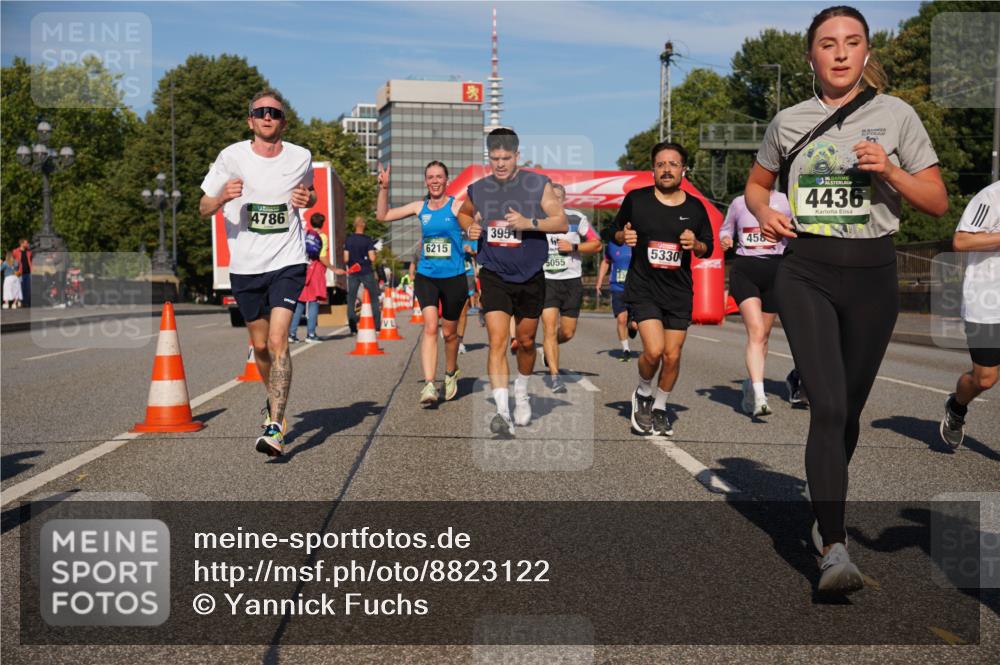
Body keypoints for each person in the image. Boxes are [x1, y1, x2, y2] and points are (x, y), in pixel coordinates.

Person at [746, 5, 947, 594]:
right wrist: (765, 212)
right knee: (828, 408)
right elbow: (758, 184)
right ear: (811, 55)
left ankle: (822, 500)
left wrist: (889, 169)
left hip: (873, 275)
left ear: (865, 53)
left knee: (848, 415)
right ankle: (834, 548)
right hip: (805, 269)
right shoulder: (788, 121)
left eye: (851, 42)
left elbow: (935, 201)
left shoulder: (897, 115)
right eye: (827, 43)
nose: (839, 52)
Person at [200, 89, 316, 457]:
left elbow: (308, 194)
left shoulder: (301, 156)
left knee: (280, 340)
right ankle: (272, 401)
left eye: (275, 113)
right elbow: (203, 206)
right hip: (246, 266)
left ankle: (276, 425)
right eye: (260, 112)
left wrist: (307, 199)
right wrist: (221, 199)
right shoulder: (230, 157)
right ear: (250, 120)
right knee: (261, 345)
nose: (268, 117)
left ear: (283, 121)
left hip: (288, 260)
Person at [458, 128, 568, 435]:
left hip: (530, 275)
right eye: (495, 159)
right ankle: (503, 412)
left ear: (517, 156)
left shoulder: (537, 184)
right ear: (488, 157)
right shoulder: (479, 188)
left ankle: (522, 392)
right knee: (497, 341)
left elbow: (561, 221)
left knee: (527, 342)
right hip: (493, 272)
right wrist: (470, 228)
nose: (501, 164)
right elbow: (464, 213)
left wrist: (529, 223)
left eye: (506, 158)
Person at [616, 141, 713, 438]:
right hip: (644, 286)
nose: (667, 169)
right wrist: (625, 235)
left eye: (673, 164)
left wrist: (695, 244)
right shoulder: (637, 200)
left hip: (678, 290)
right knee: (654, 350)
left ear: (683, 169)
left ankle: (659, 407)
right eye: (661, 164)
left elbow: (706, 248)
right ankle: (643, 393)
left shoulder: (695, 207)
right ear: (653, 170)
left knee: (672, 355)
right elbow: (617, 232)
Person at [377, 160, 468, 407]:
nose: (435, 181)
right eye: (431, 177)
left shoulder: (458, 207)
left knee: (449, 334)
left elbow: (476, 224)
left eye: (439, 176)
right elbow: (383, 216)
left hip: (454, 278)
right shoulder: (420, 207)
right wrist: (384, 189)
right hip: (427, 276)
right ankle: (429, 383)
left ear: (447, 181)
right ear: (426, 181)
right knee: (430, 327)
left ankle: (451, 372)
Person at [720, 192, 802, 416]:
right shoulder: (739, 202)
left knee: (763, 336)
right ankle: (759, 395)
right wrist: (725, 239)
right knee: (756, 332)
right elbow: (725, 228)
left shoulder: (787, 200)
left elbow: (799, 227)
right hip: (746, 268)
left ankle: (750, 384)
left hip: (777, 270)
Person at [940, 181, 1000, 448]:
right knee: (985, 379)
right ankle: (957, 406)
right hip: (987, 303)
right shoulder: (991, 196)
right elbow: (961, 241)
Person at [540, 183, 602, 392]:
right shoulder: (537, 221)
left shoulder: (576, 218)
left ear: (564, 199)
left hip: (571, 281)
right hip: (546, 280)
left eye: (558, 197)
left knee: (567, 332)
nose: (554, 201)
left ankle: (548, 351)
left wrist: (574, 247)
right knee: (548, 328)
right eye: (550, 197)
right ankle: (555, 377)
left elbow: (597, 244)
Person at [289, 212, 338, 343]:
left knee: (299, 302)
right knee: (314, 302)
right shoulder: (322, 237)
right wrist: (334, 268)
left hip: (304, 269)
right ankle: (311, 334)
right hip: (316, 270)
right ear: (323, 223)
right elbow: (322, 257)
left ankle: (291, 334)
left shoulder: (304, 234)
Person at [596, 229, 633, 361]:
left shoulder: (635, 243)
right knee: (621, 319)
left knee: (635, 324)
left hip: (635, 289)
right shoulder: (611, 245)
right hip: (617, 287)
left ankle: (632, 326)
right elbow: (606, 262)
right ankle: (626, 349)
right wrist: (599, 281)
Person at [344, 216, 381, 335]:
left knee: (351, 299)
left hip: (353, 272)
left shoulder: (348, 240)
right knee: (373, 298)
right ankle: (376, 326)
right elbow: (372, 258)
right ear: (363, 225)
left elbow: (346, 259)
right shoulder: (368, 240)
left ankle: (353, 328)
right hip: (366, 271)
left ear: (355, 225)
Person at [456, 238, 479, 355]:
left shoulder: (471, 236)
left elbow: (478, 253)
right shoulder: (450, 228)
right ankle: (449, 332)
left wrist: (471, 251)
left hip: (467, 274)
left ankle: (460, 341)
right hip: (452, 273)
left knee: (463, 310)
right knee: (451, 308)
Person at [12, 239, 31, 308]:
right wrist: (14, 271)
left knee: (28, 288)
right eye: (26, 243)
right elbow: (13, 261)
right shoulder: (15, 251)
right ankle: (21, 302)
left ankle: (27, 303)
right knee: (20, 288)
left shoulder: (29, 251)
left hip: (28, 272)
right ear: (22, 244)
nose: (27, 244)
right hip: (20, 272)